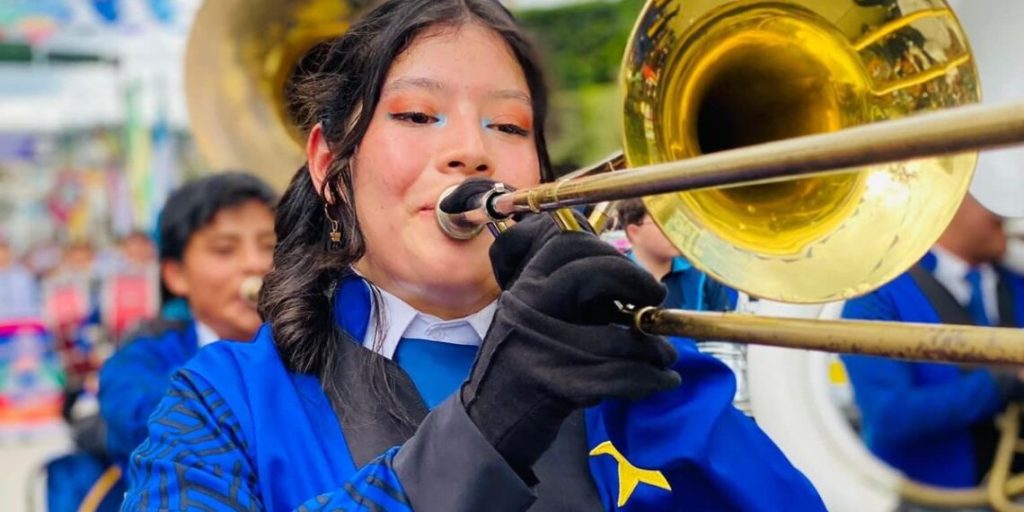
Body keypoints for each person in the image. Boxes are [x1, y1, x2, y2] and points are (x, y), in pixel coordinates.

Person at [124, 1, 824, 510]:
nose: (473, 149)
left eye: (510, 125)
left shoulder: (614, 368)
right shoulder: (220, 399)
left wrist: (666, 388)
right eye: (417, 115)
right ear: (329, 162)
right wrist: (491, 421)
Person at [842, 195, 1024, 491]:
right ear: (954, 201)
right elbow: (889, 417)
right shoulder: (876, 296)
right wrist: (1003, 382)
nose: (1007, 212)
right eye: (992, 195)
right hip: (927, 501)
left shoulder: (1016, 283)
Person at [615, 198, 736, 312]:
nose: (679, 230)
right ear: (634, 233)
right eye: (664, 221)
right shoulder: (614, 281)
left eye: (680, 221)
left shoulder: (705, 275)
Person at [0, 238, 41, 321]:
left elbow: (34, 302)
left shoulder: (24, 275)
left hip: (22, 323)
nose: (3, 255)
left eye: (4, 251)